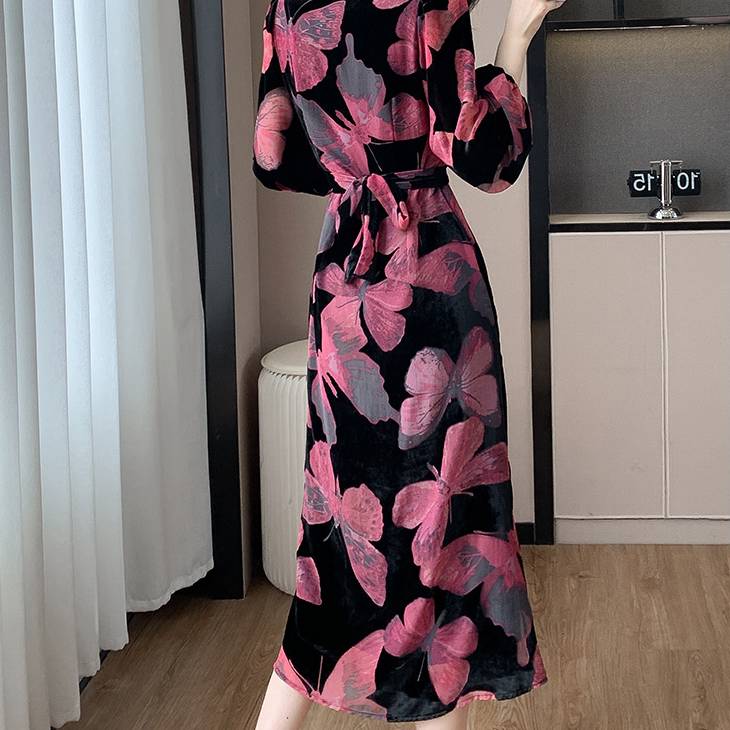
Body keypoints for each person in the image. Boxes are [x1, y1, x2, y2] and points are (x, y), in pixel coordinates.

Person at [252, 0, 564, 727]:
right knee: (441, 546)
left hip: (344, 290)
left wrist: (354, 167)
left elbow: (274, 155)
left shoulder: (286, 2)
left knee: (337, 549)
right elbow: (482, 157)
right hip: (427, 287)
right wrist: (518, 33)